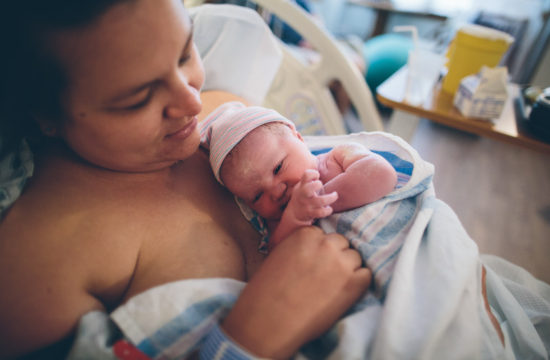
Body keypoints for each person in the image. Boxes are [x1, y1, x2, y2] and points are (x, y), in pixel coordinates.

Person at [0, 1, 372, 359]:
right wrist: (249, 341)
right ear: (46, 112)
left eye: (184, 55)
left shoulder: (218, 112)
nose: (193, 103)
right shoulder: (35, 265)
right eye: (138, 100)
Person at [200, 102, 398, 250]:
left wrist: (319, 200)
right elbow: (275, 255)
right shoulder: (278, 220)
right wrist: (294, 218)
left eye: (278, 168)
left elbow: (384, 175)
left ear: (298, 137)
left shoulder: (338, 157)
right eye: (257, 196)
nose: (276, 192)